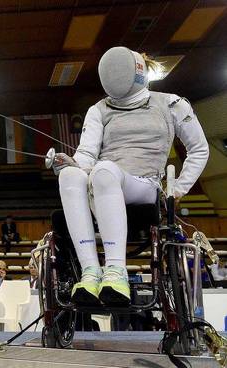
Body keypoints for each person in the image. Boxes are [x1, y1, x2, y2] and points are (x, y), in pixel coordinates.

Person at [54, 47, 208, 306]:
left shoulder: (171, 103)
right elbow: (86, 156)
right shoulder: (98, 110)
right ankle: (91, 272)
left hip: (143, 185)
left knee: (104, 171)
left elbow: (199, 148)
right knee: (70, 176)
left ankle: (116, 271)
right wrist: (70, 163)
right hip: (101, 185)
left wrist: (178, 188)